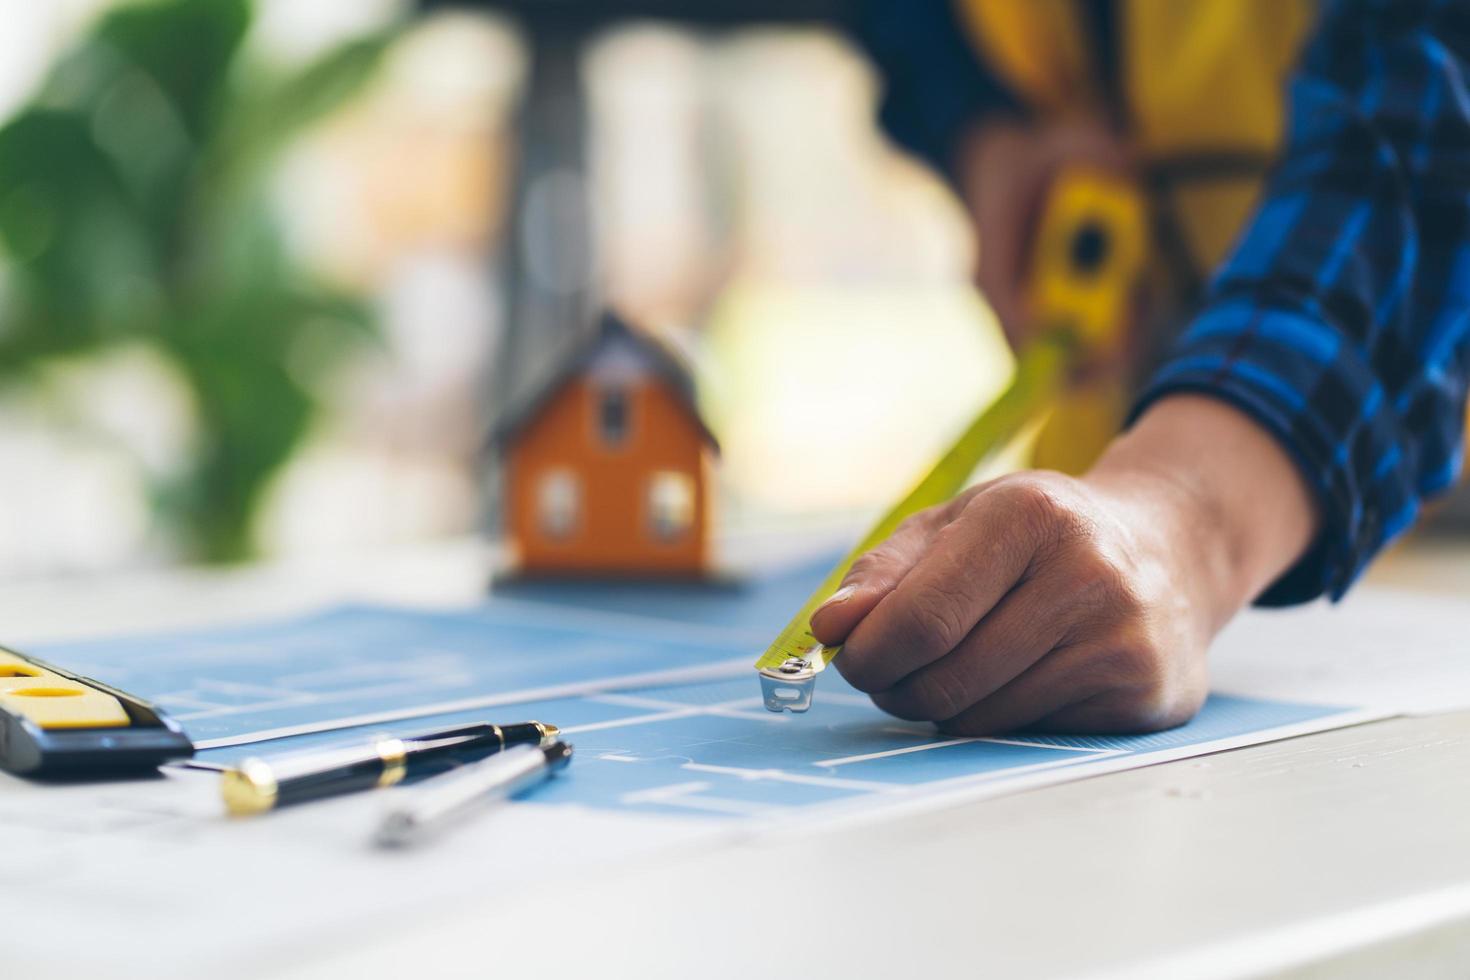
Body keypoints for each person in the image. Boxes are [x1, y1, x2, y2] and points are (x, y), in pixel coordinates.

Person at [807, 0, 1470, 734]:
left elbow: (1426, 133)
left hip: (1433, 569)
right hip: (1103, 540)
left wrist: (1185, 517)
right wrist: (985, 128)